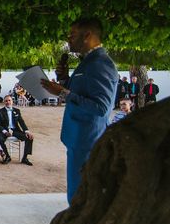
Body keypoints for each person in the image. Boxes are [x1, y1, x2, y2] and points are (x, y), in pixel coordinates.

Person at [41, 17, 118, 204]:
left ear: (88, 35)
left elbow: (101, 107)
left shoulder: (100, 63)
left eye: (72, 34)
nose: (68, 39)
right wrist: (64, 79)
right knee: (76, 192)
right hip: (78, 138)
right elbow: (83, 92)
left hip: (87, 140)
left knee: (80, 197)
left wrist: (64, 93)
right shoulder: (88, 62)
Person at [0, 95, 34, 166]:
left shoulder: (17, 111)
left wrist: (27, 131)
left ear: (12, 101)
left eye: (9, 100)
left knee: (29, 137)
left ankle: (24, 158)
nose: (8, 102)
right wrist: (5, 132)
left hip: (15, 130)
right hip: (4, 131)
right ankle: (7, 156)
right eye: (6, 101)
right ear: (4, 102)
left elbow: (21, 122)